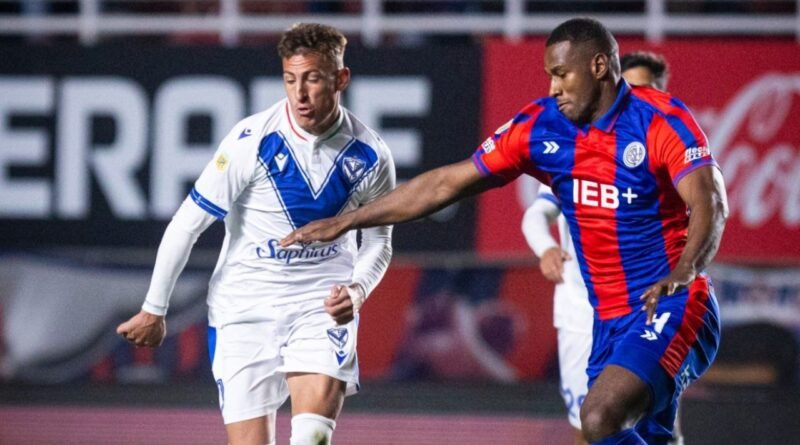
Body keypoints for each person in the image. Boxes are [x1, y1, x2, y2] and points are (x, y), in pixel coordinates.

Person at [281, 17, 728, 445]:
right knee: (629, 434)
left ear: (598, 66)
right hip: (608, 321)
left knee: (598, 418)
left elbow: (709, 201)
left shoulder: (660, 119)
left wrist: (686, 267)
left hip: (673, 302)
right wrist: (349, 219)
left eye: (561, 74)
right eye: (547, 76)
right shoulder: (541, 126)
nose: (552, 87)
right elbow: (446, 183)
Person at [117, 23, 396, 445]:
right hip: (244, 308)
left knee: (312, 438)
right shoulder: (251, 141)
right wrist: (154, 309)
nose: (299, 94)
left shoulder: (371, 154)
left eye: (314, 79)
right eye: (290, 79)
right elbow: (187, 224)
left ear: (341, 79)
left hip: (320, 306)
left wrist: (357, 290)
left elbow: (379, 242)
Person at [521, 51, 678, 445]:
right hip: (581, 313)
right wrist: (545, 249)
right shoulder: (580, 149)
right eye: (633, 87)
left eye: (648, 89)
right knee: (590, 426)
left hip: (652, 312)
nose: (639, 97)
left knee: (660, 427)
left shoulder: (675, 156)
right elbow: (536, 215)